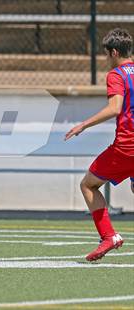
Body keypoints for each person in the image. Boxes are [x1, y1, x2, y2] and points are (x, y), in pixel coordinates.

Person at [65, 28, 134, 261]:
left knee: (88, 184)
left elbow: (115, 108)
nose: (106, 60)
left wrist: (83, 125)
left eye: (107, 55)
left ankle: (109, 236)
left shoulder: (117, 75)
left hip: (127, 147)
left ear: (114, 52)